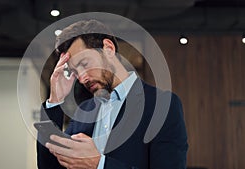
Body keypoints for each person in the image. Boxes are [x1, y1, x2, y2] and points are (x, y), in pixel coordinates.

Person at [37, 19, 188, 169]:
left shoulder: (162, 106)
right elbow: (51, 167)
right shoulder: (84, 111)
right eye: (75, 72)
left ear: (108, 48)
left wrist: (99, 164)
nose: (82, 78)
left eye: (84, 64)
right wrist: (55, 100)